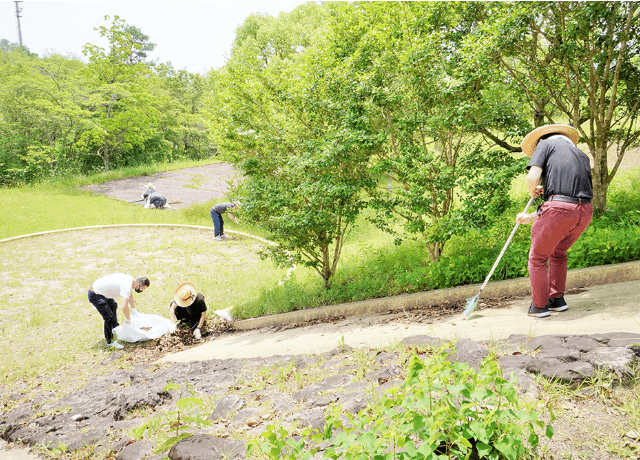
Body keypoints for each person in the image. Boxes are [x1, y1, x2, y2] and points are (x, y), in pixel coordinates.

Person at [517, 124, 593, 318]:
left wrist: (532, 189)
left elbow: (532, 178)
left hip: (560, 210)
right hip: (585, 211)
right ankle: (557, 300)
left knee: (538, 257)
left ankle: (540, 306)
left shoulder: (545, 145)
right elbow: (567, 203)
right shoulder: (581, 155)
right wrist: (529, 217)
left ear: (542, 141)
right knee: (558, 253)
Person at [88, 274, 150, 349]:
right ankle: (110, 342)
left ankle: (115, 329)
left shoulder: (130, 280)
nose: (141, 290)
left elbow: (130, 295)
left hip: (103, 292)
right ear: (138, 285)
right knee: (108, 317)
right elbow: (124, 306)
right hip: (95, 294)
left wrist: (133, 309)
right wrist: (128, 319)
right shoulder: (126, 285)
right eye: (141, 289)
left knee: (113, 305)